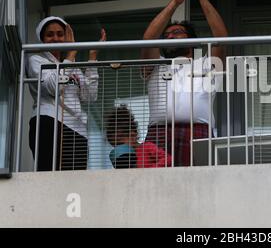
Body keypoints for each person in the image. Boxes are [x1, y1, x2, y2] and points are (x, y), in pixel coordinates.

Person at [141, 0, 227, 166]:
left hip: (198, 133)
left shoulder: (206, 64)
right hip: (158, 133)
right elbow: (148, 39)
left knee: (200, 189)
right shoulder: (157, 65)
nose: (170, 36)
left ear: (191, 41)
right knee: (154, 191)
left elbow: (221, 38)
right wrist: (173, 4)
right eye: (167, 35)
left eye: (177, 32)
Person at [27, 16, 106, 171]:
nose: (56, 38)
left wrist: (92, 58)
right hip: (49, 122)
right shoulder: (36, 60)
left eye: (60, 34)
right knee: (49, 178)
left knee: (73, 185)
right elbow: (52, 88)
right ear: (42, 39)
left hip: (78, 130)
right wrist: (70, 55)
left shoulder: (72, 66)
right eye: (50, 35)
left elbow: (89, 96)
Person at [106, 105, 172, 169]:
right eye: (115, 146)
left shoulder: (147, 147)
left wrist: (151, 170)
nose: (119, 148)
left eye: (120, 144)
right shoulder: (124, 158)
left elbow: (168, 159)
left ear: (132, 135)